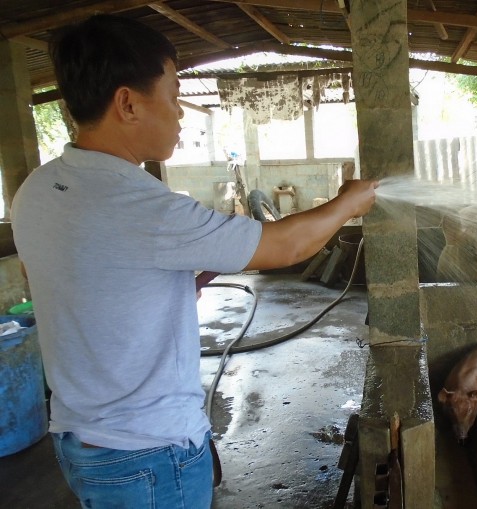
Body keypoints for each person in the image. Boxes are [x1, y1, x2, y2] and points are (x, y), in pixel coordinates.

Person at [10, 14, 377, 509]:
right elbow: (285, 247)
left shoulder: (37, 190)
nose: (181, 112)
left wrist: (158, 287)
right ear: (128, 103)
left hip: (82, 443)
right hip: (151, 455)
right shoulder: (142, 205)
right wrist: (348, 204)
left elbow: (59, 282)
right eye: (173, 94)